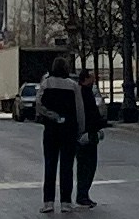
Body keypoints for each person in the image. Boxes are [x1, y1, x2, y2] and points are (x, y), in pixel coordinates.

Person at [36, 53, 82, 209]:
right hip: (69, 130)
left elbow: (40, 105)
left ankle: (48, 201)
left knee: (50, 165)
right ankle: (66, 202)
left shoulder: (46, 84)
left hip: (51, 129)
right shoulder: (73, 85)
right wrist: (80, 130)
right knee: (67, 166)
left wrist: (52, 116)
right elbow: (79, 109)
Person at [73, 66, 105, 207]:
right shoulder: (81, 93)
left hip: (91, 133)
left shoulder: (87, 92)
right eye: (91, 77)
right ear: (85, 79)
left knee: (89, 166)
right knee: (85, 166)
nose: (94, 79)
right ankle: (82, 194)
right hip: (84, 135)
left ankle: (84, 193)